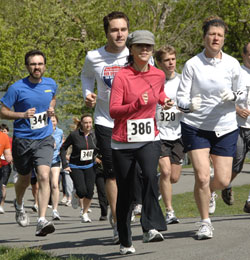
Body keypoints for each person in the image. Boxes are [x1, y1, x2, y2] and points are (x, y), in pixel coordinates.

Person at [176, 16, 246, 240]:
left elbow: (242, 92)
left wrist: (234, 95)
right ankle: (205, 222)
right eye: (212, 34)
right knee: (203, 177)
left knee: (223, 180)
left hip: (225, 127)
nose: (216, 38)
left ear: (223, 39)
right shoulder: (193, 64)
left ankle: (211, 193)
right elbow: (180, 97)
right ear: (204, 37)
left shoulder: (233, 64)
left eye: (220, 35)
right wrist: (188, 105)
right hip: (196, 126)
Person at [110, 30, 173, 255]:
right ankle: (125, 241)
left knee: (149, 175)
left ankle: (149, 228)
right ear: (131, 49)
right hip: (122, 142)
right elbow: (113, 111)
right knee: (126, 193)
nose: (145, 49)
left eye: (148, 46)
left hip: (149, 138)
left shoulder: (158, 75)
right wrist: (136, 105)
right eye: (140, 46)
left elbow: (160, 93)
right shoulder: (122, 76)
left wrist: (165, 101)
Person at [81, 11, 129, 243]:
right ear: (106, 32)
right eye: (114, 30)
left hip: (133, 121)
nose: (119, 34)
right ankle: (119, 221)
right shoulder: (93, 57)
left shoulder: (136, 53)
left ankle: (128, 207)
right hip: (105, 120)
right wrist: (88, 95)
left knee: (135, 172)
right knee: (111, 172)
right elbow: (86, 78)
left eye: (123, 29)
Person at [0, 50, 57, 236]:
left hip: (45, 137)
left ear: (44, 66)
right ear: (27, 67)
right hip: (23, 139)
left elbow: (53, 99)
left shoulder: (51, 84)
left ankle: (41, 219)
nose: (37, 67)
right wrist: (22, 115)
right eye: (33, 64)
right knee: (23, 179)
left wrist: (51, 109)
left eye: (40, 64)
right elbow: (3, 112)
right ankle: (18, 203)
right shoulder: (17, 88)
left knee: (43, 175)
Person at [155, 45, 185, 224]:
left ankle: (159, 185)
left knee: (173, 177)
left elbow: (189, 103)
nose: (171, 63)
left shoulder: (183, 81)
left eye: (173, 59)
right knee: (165, 172)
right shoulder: (154, 81)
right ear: (159, 63)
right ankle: (169, 211)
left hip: (178, 133)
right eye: (166, 60)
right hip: (159, 134)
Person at [219, 42, 250, 209]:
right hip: (237, 126)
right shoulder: (236, 72)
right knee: (237, 164)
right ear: (244, 55)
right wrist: (237, 109)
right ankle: (226, 184)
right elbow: (224, 96)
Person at [60, 114, 97, 223]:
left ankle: (84, 213)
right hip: (75, 166)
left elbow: (98, 148)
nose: (88, 125)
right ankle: (76, 194)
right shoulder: (74, 135)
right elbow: (63, 149)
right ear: (81, 123)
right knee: (82, 191)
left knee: (90, 192)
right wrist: (65, 164)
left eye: (90, 122)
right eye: (86, 122)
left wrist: (98, 157)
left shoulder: (94, 135)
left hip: (90, 166)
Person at [50, 115, 63, 220]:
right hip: (43, 161)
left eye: (54, 121)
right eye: (50, 121)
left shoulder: (60, 132)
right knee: (43, 185)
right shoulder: (43, 132)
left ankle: (55, 210)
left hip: (55, 160)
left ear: (57, 122)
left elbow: (62, 146)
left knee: (55, 184)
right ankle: (41, 206)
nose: (52, 122)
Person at [0, 124, 13, 214]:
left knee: (3, 186)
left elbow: (11, 153)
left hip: (6, 166)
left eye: (5, 131)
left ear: (7, 131)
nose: (3, 132)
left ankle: (1, 205)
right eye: (2, 130)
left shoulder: (10, 140)